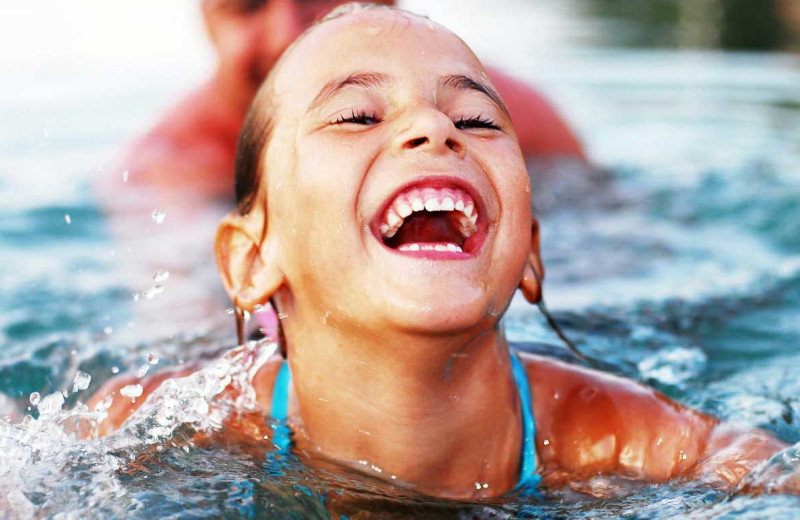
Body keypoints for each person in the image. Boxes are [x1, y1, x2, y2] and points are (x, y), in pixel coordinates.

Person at [90, 3, 789, 499]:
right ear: (249, 263)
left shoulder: (620, 438)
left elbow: (756, 469)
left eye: (475, 120)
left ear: (533, 251)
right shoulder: (188, 419)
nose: (432, 127)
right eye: (359, 116)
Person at [116, 0, 585, 203]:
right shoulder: (174, 167)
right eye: (248, 5)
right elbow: (182, 329)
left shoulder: (504, 117)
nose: (288, 33)